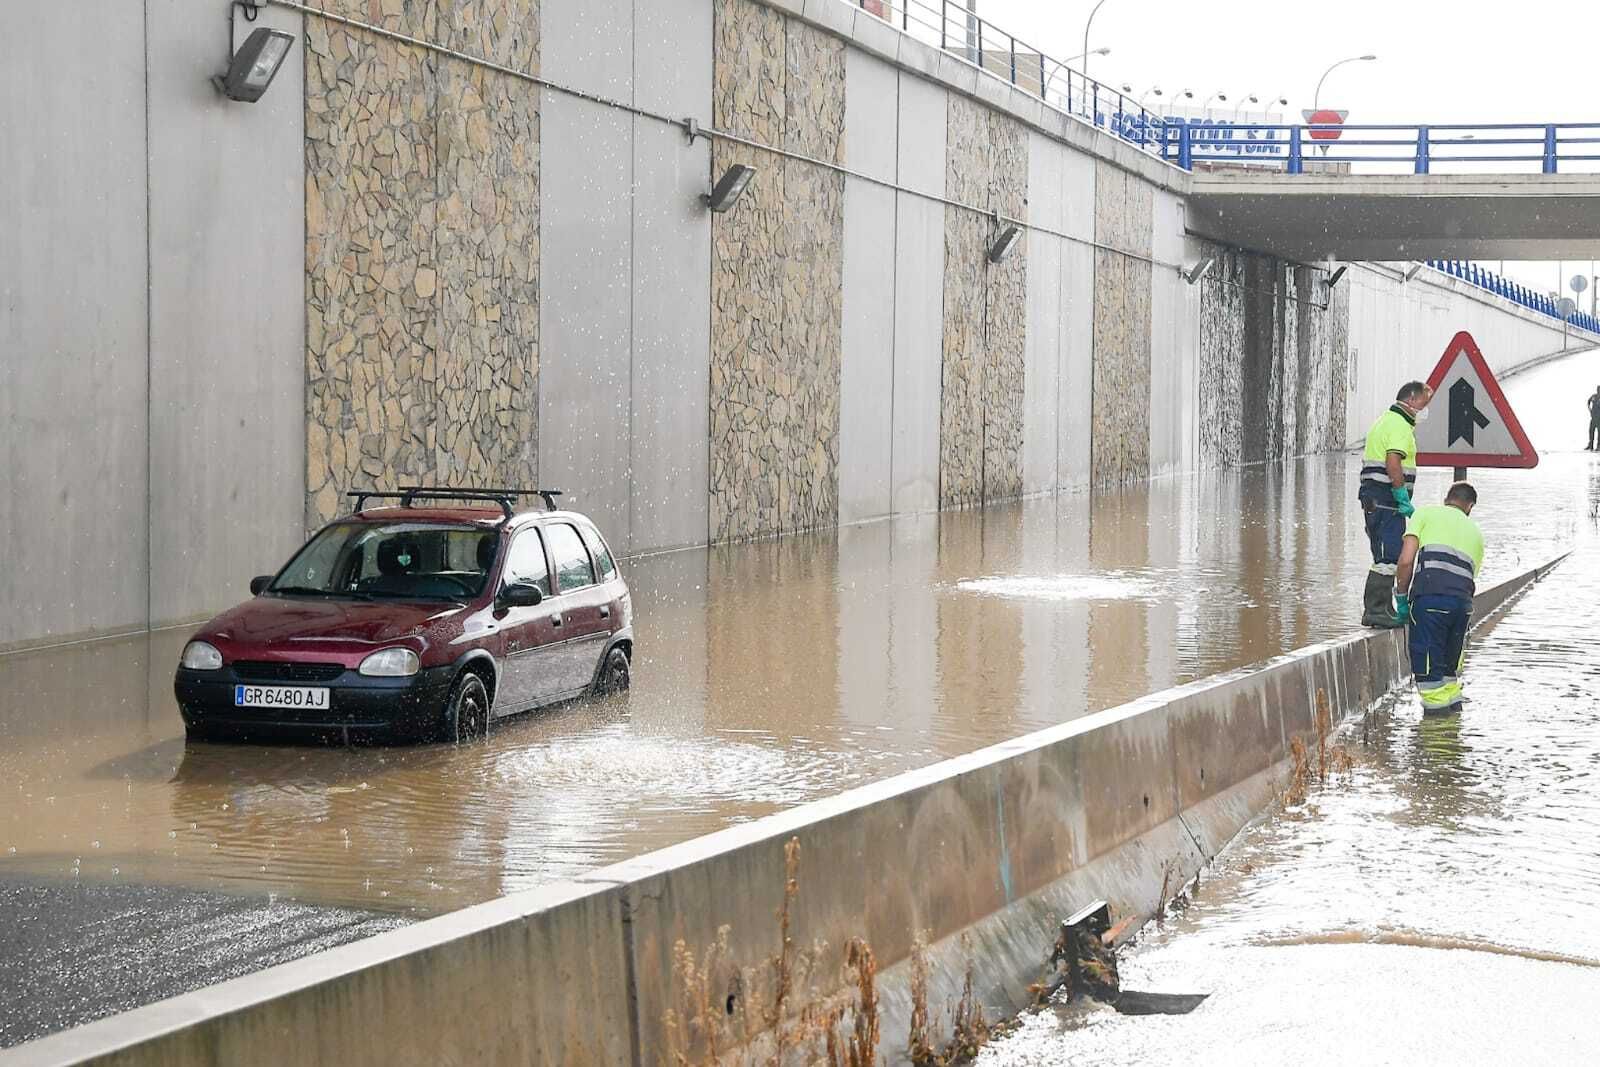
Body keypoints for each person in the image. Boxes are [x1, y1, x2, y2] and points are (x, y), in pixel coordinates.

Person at [1394, 482, 1484, 716]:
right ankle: (1453, 736)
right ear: (1470, 507)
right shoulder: (1476, 533)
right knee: (1448, 674)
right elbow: (1467, 579)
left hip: (1430, 601)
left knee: (1429, 679)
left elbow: (1405, 561)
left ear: (1447, 499)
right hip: (1462, 607)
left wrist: (1401, 598)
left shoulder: (1424, 513)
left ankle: (1435, 743)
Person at [1359, 381, 1433, 628]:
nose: (1425, 410)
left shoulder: (1386, 420)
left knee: (1385, 554)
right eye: (1424, 403)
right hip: (1385, 500)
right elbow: (1393, 462)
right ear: (1411, 400)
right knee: (1388, 555)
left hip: (1377, 499)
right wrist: (1400, 493)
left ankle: (1382, 609)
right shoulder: (1400, 425)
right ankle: (1376, 611)